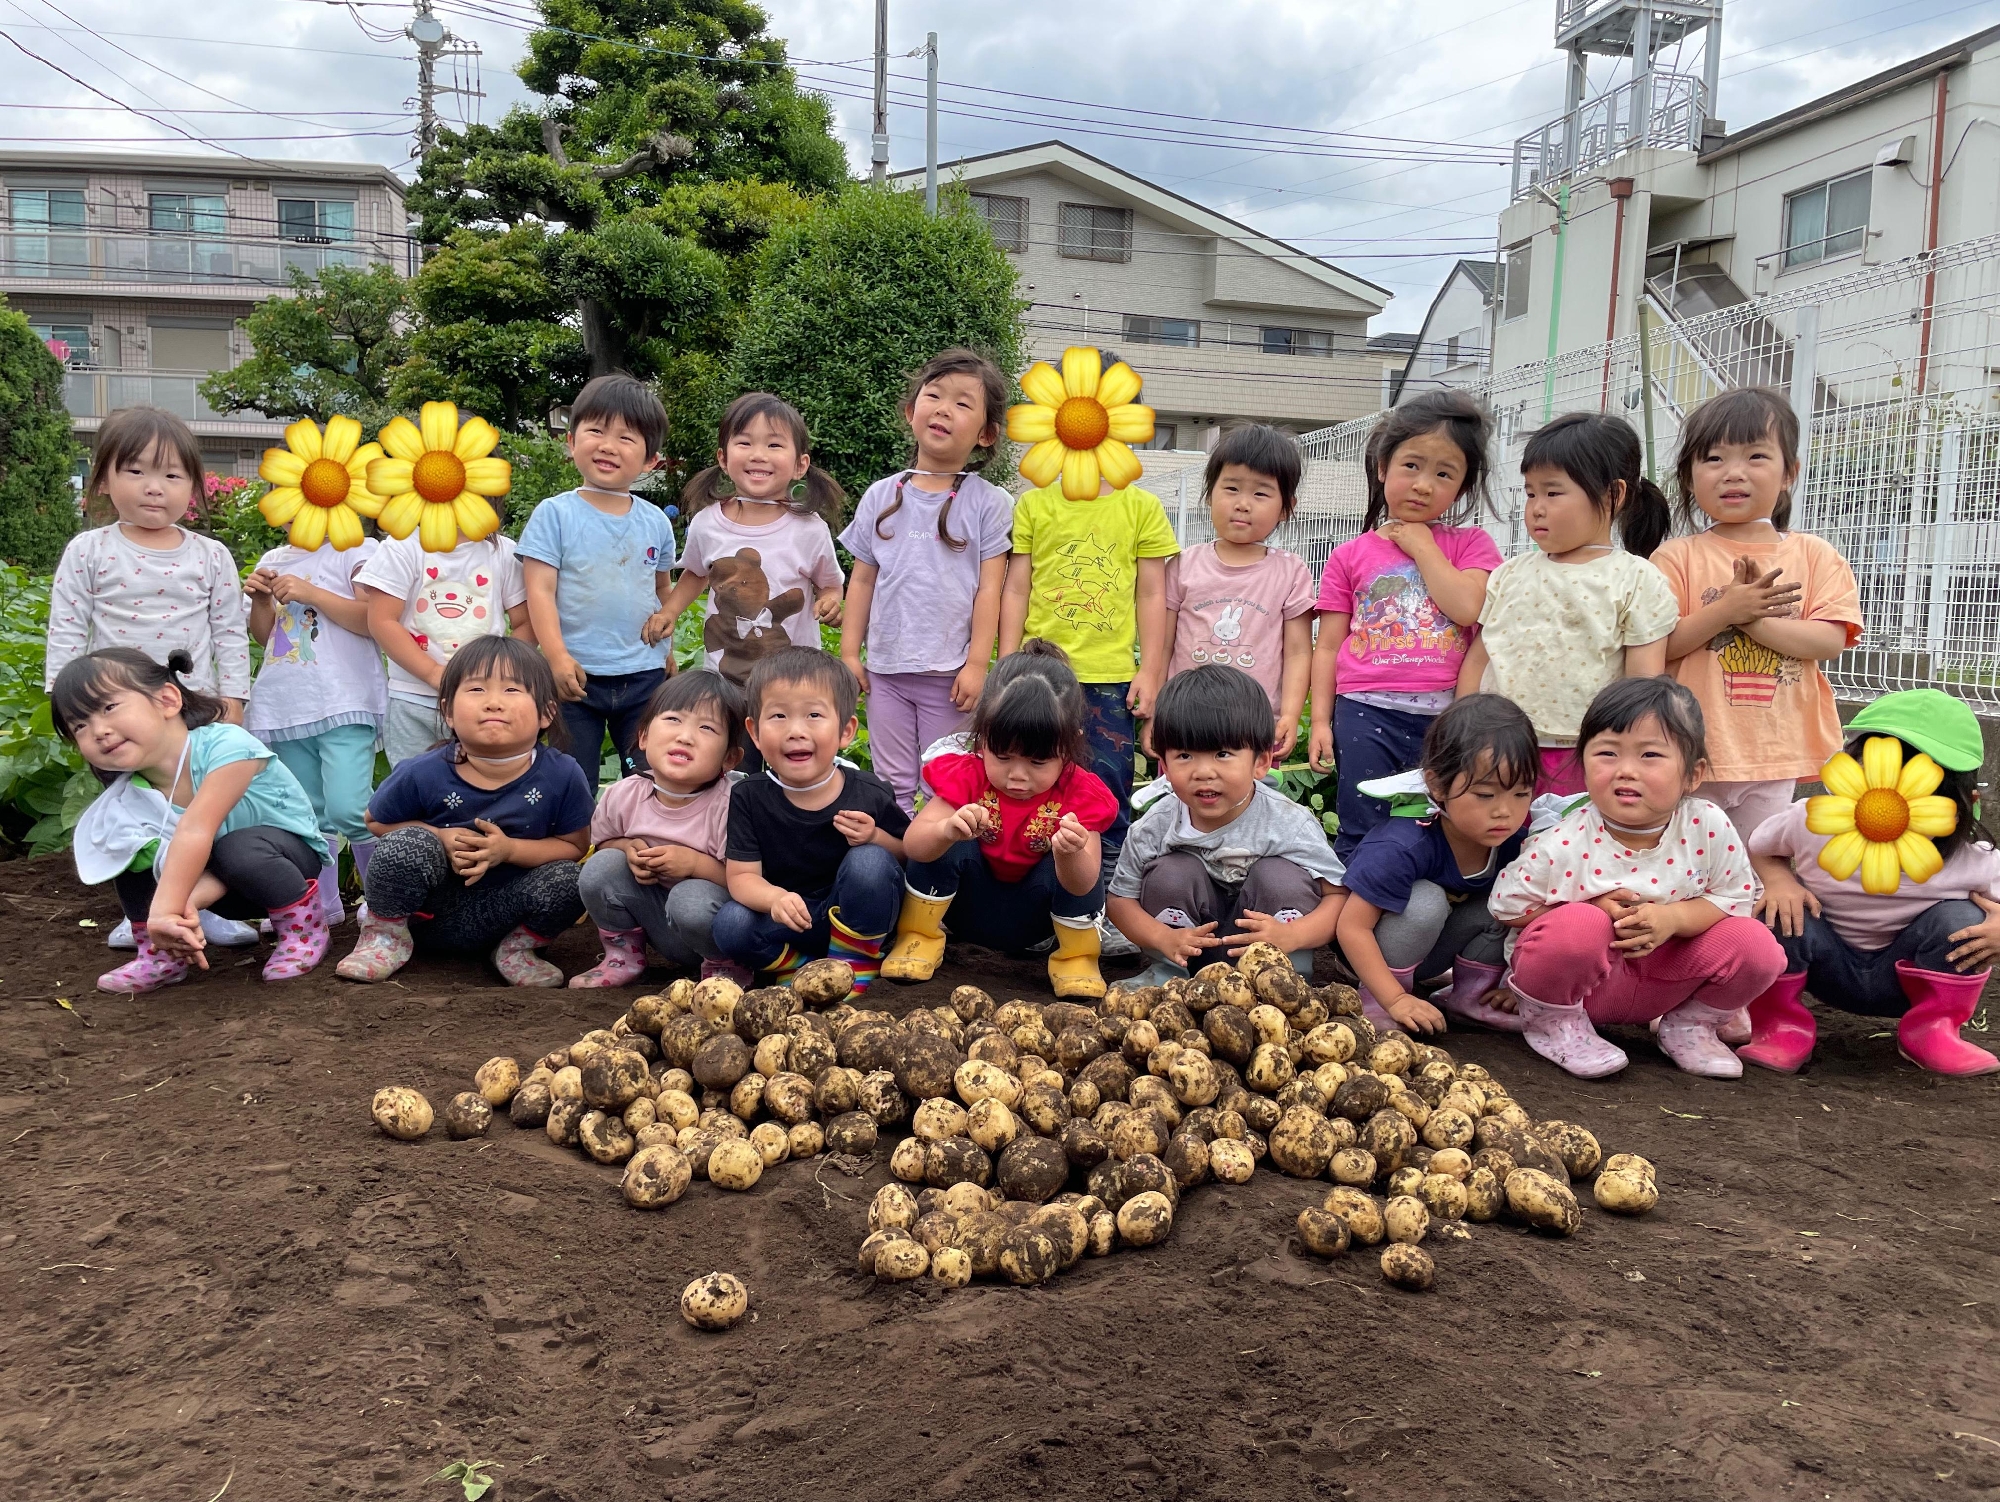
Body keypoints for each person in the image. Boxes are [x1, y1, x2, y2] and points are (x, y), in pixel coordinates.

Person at [1486, 676, 1786, 1079]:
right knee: (1579, 925)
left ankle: (1689, 1026)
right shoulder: (1563, 840)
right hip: (1588, 990)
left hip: (1666, 982)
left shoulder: (1707, 825)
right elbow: (1505, 904)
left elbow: (1732, 898)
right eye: (1607, 753)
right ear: (1583, 764)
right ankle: (1553, 1025)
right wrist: (1588, 908)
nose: (1626, 770)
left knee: (1758, 946)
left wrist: (1674, 919)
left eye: (1650, 755)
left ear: (1693, 774)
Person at [46, 406, 261, 953]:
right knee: (131, 817)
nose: (153, 488)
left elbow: (229, 632)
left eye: (172, 475)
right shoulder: (89, 551)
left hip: (191, 711)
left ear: (192, 484)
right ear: (104, 479)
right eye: (135, 471)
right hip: (113, 714)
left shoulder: (211, 555)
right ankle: (139, 914)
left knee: (201, 812)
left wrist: (233, 700)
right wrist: (70, 711)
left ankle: (199, 908)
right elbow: (66, 632)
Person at [1000, 348, 1179, 955]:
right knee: (1025, 787)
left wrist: (1150, 670)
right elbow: (1016, 585)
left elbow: (1154, 593)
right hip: (1039, 676)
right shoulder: (1034, 501)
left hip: (1108, 679)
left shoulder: (1140, 506)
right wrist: (1007, 666)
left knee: (1102, 794)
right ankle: (1033, 913)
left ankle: (1097, 914)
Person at [1745, 690, 2000, 1076]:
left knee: (1963, 918)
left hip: (1910, 980)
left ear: (1965, 800)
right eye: (1875, 774)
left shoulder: (1975, 859)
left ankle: (1932, 1030)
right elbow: (1761, 847)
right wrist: (1780, 882)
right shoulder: (1811, 821)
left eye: (1918, 782)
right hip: (1825, 967)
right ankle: (1782, 1026)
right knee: (1777, 910)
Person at [55, 649, 331, 993]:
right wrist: (182, 907)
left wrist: (168, 907)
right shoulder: (129, 796)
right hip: (214, 885)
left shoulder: (227, 746)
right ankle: (162, 953)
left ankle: (303, 932)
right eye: (79, 725)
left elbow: (198, 829)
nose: (98, 730)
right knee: (128, 850)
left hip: (284, 869)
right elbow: (194, 859)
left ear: (168, 700)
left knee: (240, 848)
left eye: (109, 707)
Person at [1653, 386, 1863, 841]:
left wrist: (1754, 621)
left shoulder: (1815, 555)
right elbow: (1660, 647)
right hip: (1689, 748)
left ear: (1790, 473)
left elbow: (1829, 641)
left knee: (1757, 863)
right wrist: (1727, 609)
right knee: (1688, 866)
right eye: (1713, 459)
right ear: (1689, 477)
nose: (1733, 473)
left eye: (1755, 457)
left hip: (1774, 749)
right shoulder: (1675, 557)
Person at [1307, 391, 1500, 858]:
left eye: (1443, 474)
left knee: (1441, 822)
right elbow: (1328, 646)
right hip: (1365, 710)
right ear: (1382, 467)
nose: (1423, 484)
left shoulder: (1472, 545)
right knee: (1362, 820)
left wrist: (1423, 547)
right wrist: (1318, 721)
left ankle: (1424, 912)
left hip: (1445, 715)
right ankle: (1354, 915)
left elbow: (1467, 610)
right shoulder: (1349, 554)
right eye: (1411, 466)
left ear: (1462, 487)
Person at [337, 637, 593, 986]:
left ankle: (518, 950)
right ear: (448, 712)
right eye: (476, 689)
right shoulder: (423, 771)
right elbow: (376, 821)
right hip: (424, 914)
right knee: (408, 842)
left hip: (507, 915)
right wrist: (438, 836)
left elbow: (574, 845)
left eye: (512, 690)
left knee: (573, 879)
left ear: (546, 713)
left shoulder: (563, 775)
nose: (493, 703)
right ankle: (385, 937)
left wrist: (510, 850)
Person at [882, 640, 1120, 998]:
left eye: (1038, 763)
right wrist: (948, 830)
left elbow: (1084, 885)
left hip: (1036, 922)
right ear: (981, 738)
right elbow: (914, 844)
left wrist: (1069, 853)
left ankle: (1077, 959)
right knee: (947, 838)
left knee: (1074, 853)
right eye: (1003, 757)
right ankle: (918, 936)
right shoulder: (966, 776)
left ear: (1070, 745)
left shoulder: (1079, 794)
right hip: (965, 912)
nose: (1018, 776)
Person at [1459, 412, 1680, 796]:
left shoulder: (1637, 579)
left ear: (1614, 495)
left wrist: (1623, 756)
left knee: (1574, 850)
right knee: (1503, 844)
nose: (1537, 507)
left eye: (1553, 492)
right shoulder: (1509, 574)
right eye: (1530, 493)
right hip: (1500, 745)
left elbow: (1641, 684)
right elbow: (1481, 656)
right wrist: (1462, 728)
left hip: (1586, 753)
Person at [839, 349, 1015, 814]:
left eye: (962, 403)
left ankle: (935, 880)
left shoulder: (988, 502)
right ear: (910, 410)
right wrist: (850, 654)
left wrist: (978, 663)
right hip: (885, 673)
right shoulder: (881, 494)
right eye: (933, 395)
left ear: (985, 434)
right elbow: (861, 583)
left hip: (951, 676)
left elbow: (990, 589)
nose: (942, 408)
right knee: (890, 783)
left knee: (946, 784)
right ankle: (894, 872)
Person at [1106, 665, 1346, 983]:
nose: (1204, 772)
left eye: (1222, 754)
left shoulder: (1289, 823)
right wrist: (1161, 937)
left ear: (1260, 762)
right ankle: (1168, 976)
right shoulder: (1155, 826)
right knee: (1171, 873)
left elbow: (1338, 897)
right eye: (1185, 756)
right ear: (1163, 765)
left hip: (1270, 952)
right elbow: (1120, 899)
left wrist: (1294, 935)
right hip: (1189, 951)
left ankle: (1288, 980)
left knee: (1280, 876)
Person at [1335, 694, 1537, 1035]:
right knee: (1425, 900)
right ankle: (1374, 1001)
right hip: (1369, 957)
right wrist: (1394, 999)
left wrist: (1517, 986)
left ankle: (1471, 997)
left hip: (1431, 953)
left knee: (1508, 901)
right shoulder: (1401, 845)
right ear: (1437, 785)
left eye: (1521, 793)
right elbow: (1351, 928)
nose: (1505, 811)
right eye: (1486, 795)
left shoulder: (1516, 843)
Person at [517, 373, 679, 792]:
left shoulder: (656, 521)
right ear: (571, 441)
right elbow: (539, 591)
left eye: (627, 437)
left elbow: (662, 590)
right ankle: (573, 851)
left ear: (650, 460)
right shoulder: (554, 515)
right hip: (575, 677)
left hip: (643, 673)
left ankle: (636, 850)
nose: (608, 445)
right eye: (596, 430)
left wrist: (668, 648)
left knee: (646, 777)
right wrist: (554, 658)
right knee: (573, 778)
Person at [712, 648, 909, 989]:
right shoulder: (748, 796)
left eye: (814, 715)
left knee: (870, 862)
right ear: (754, 732)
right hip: (789, 919)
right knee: (730, 924)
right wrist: (774, 899)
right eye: (778, 717)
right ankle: (795, 968)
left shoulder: (869, 791)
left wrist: (875, 837)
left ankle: (855, 961)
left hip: (852, 914)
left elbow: (907, 855)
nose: (796, 731)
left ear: (846, 731)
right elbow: (742, 878)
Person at [652, 394, 845, 715]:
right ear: (723, 458)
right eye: (744, 443)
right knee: (732, 756)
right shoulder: (708, 523)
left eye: (774, 445)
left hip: (791, 681)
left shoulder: (809, 529)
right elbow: (697, 574)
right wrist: (669, 612)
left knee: (782, 757)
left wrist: (830, 601)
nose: (758, 455)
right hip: (726, 680)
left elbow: (830, 584)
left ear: (801, 464)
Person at [244, 522, 387, 926]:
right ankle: (323, 908)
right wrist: (259, 600)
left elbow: (371, 619)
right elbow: (266, 636)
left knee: (351, 807)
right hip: (285, 706)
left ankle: (384, 902)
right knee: (305, 814)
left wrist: (311, 593)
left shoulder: (358, 550)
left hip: (345, 700)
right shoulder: (274, 560)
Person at [572, 670, 749, 988]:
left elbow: (749, 883)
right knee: (601, 867)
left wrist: (694, 865)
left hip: (717, 931)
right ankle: (623, 956)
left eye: (707, 727)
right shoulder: (623, 795)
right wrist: (627, 849)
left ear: (730, 758)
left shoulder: (734, 805)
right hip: (659, 923)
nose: (685, 736)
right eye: (672, 720)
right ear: (643, 737)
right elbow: (602, 845)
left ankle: (726, 970)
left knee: (689, 897)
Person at [1164, 423, 1315, 759]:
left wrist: (1289, 714)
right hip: (1184, 722)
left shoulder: (1290, 572)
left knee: (1252, 807)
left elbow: (1298, 653)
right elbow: (1163, 645)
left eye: (1261, 493)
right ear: (1210, 494)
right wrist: (1156, 714)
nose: (1243, 504)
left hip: (1253, 727)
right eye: (1231, 488)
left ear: (1286, 507)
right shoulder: (1183, 564)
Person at [357, 489, 531, 767]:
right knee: (413, 793)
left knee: (482, 789)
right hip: (413, 699)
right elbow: (382, 621)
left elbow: (525, 623)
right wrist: (434, 673)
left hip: (483, 705)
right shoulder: (402, 546)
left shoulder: (503, 552)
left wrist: (494, 676)